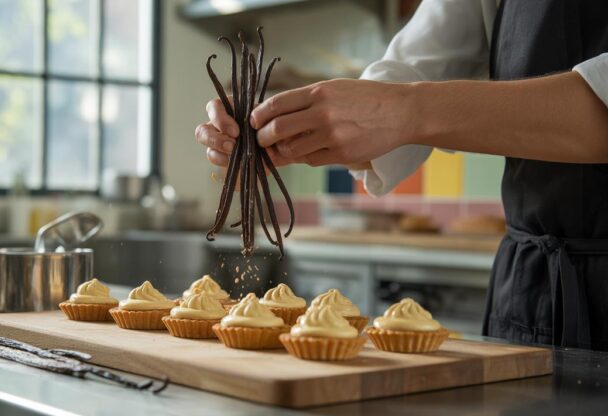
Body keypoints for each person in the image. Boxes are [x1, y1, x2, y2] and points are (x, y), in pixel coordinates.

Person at [194, 0, 608, 350]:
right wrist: (285, 120)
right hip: (530, 287)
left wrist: (403, 110)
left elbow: (405, 102)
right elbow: (417, 65)